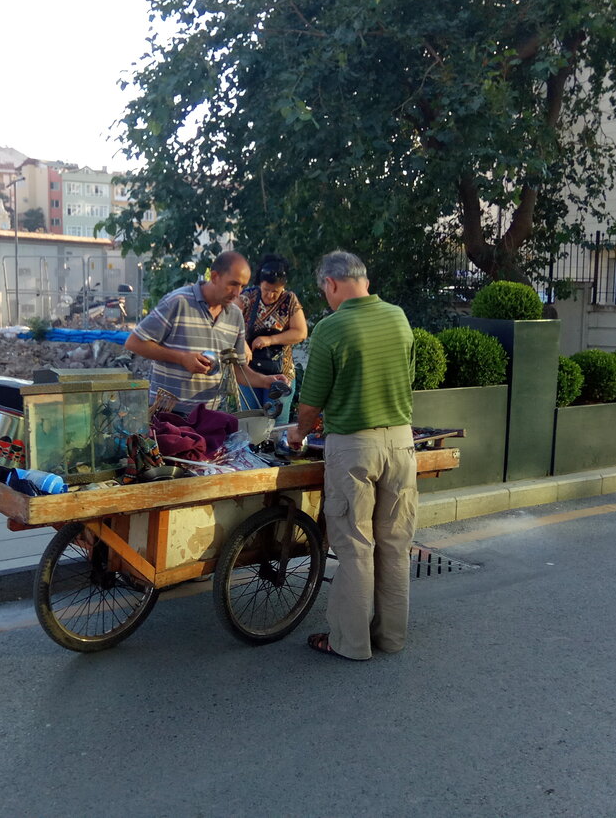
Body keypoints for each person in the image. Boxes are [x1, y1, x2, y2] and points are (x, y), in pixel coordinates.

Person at [287, 250, 417, 662]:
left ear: (331, 283)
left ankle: (351, 643)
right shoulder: (398, 317)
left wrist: (298, 433)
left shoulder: (332, 328)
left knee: (356, 546)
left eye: (323, 289)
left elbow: (311, 402)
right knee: (395, 544)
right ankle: (391, 637)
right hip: (401, 443)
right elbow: (405, 378)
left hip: (355, 448)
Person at [125, 251, 286, 414]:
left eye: (242, 286)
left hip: (207, 417)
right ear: (214, 276)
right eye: (233, 284)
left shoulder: (235, 316)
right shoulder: (178, 302)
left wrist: (267, 381)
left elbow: (238, 370)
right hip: (166, 414)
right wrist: (181, 358)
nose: (237, 293)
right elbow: (134, 343)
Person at [236, 254, 307, 421]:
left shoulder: (289, 300)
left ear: (283, 286)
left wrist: (270, 340)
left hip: (280, 372)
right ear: (259, 283)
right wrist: (241, 343)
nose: (270, 295)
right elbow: (229, 319)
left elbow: (301, 332)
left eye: (275, 291)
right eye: (266, 290)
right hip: (249, 371)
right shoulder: (248, 297)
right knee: (250, 422)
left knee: (276, 423)